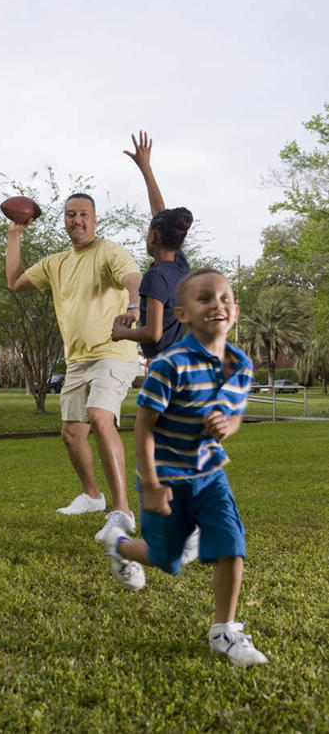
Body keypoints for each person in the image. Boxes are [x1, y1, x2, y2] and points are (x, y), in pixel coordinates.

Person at [102, 268, 268, 667]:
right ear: (183, 314)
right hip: (166, 478)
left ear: (236, 311)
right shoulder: (169, 365)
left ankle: (224, 630)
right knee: (166, 559)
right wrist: (151, 483)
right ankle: (119, 545)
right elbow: (144, 427)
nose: (217, 305)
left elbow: (235, 415)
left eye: (225, 298)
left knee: (232, 544)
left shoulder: (240, 365)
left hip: (211, 476)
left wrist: (227, 425)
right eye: (205, 299)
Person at [6, 193, 142, 541]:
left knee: (99, 417)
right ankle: (93, 497)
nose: (76, 220)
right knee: (71, 433)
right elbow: (15, 281)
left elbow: (132, 278)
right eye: (70, 215)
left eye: (83, 214)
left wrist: (135, 304)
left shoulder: (110, 251)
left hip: (113, 352)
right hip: (77, 360)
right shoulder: (56, 263)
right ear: (64, 220)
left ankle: (122, 511)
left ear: (95, 219)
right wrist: (14, 235)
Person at [111, 130, 199, 564]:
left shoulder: (154, 277)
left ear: (151, 237)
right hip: (187, 370)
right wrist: (146, 169)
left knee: (158, 453)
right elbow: (161, 213)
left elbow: (151, 333)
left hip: (163, 371)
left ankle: (171, 531)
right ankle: (189, 526)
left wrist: (121, 332)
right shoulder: (180, 265)